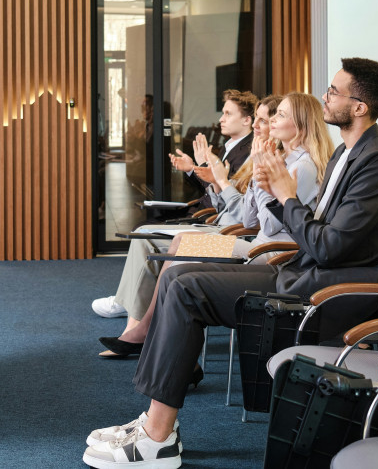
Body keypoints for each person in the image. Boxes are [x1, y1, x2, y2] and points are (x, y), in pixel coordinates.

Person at [81, 58, 378, 468]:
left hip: (324, 290)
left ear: (359, 107)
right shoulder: (347, 152)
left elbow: (329, 246)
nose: (326, 96)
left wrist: (285, 196)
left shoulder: (377, 161)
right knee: (179, 273)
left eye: (334, 92)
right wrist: (273, 193)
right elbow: (296, 227)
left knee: (185, 285)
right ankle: (154, 422)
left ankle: (157, 437)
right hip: (300, 270)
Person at [96, 93, 332, 358]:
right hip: (256, 245)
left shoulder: (303, 166)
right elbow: (251, 219)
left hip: (271, 252)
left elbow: (269, 224)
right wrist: (257, 177)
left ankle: (149, 333)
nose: (272, 120)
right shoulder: (283, 158)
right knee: (180, 242)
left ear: (300, 123)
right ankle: (151, 331)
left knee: (182, 256)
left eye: (281, 115)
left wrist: (261, 182)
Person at [91, 90, 259, 319]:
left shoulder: (254, 156)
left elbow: (242, 213)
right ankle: (133, 305)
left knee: (150, 236)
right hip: (219, 222)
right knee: (145, 232)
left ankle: (137, 311)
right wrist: (195, 169)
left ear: (247, 120)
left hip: (229, 231)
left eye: (228, 114)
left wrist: (206, 172)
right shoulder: (232, 148)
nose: (221, 119)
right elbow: (220, 193)